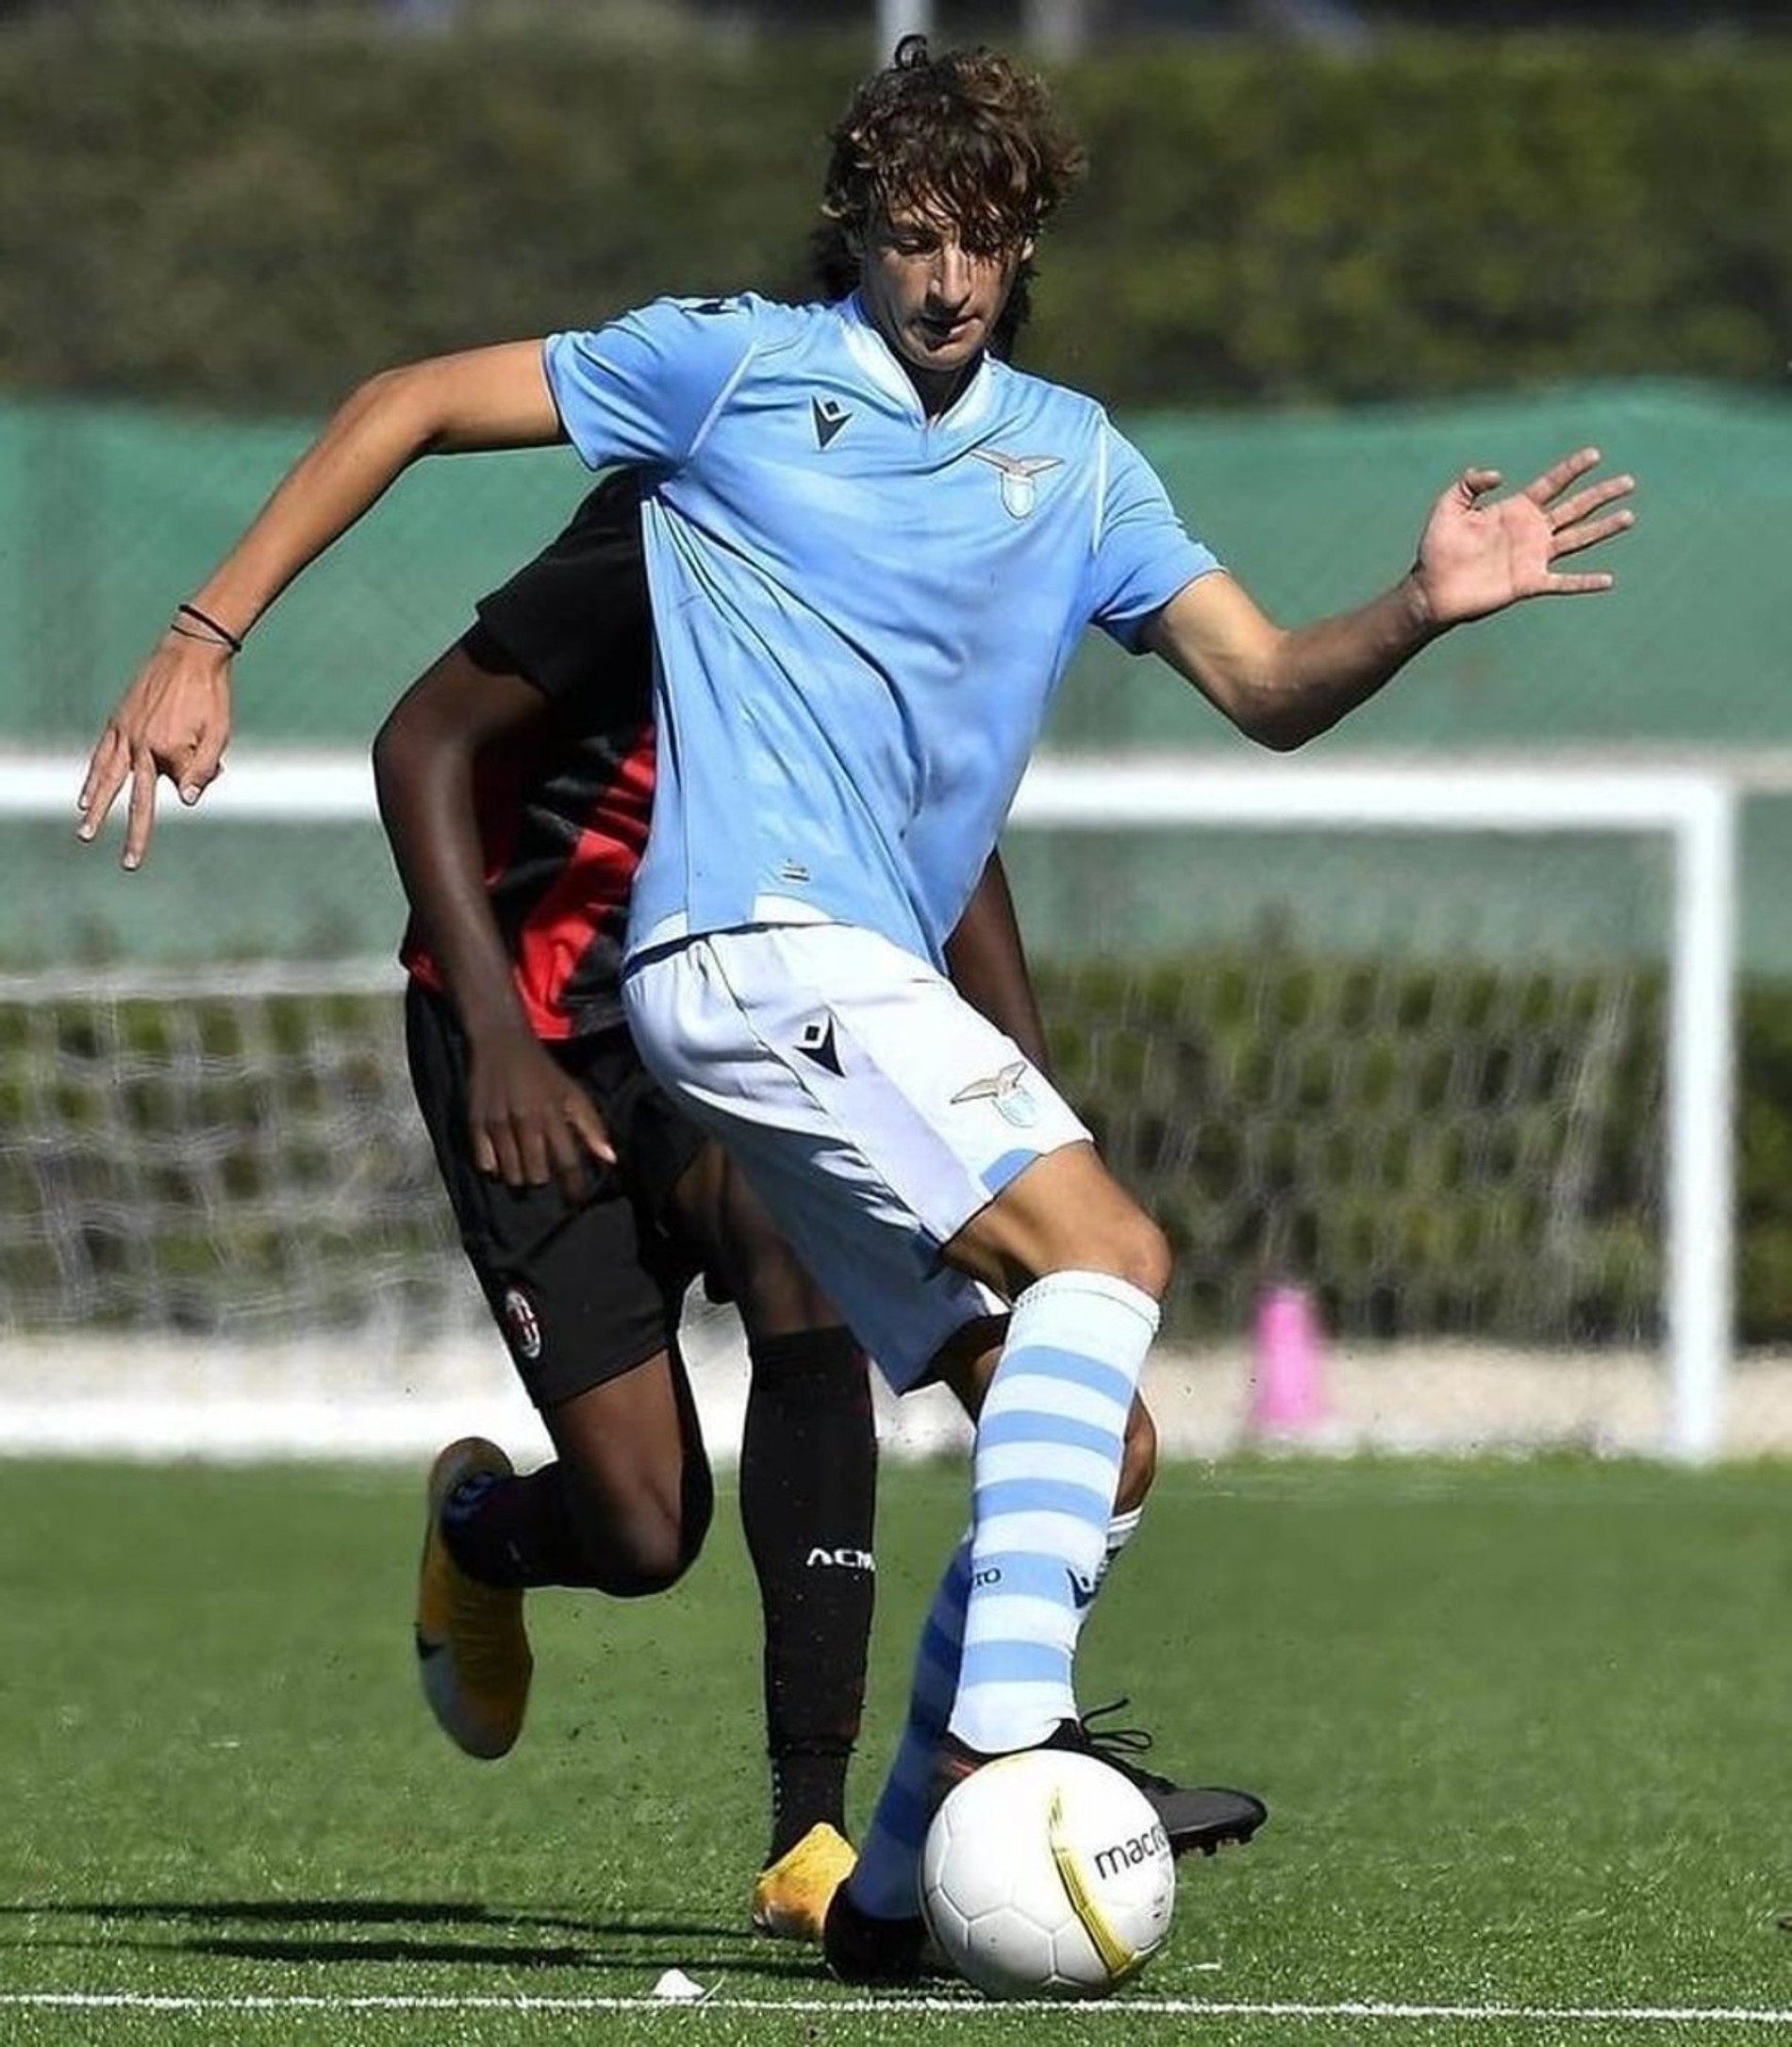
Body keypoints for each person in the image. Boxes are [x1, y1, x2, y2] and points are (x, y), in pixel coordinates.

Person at [77, 34, 1634, 1983]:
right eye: (910, 235)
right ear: (856, 232)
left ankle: (890, 1889)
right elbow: (404, 401)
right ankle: (1015, 1738)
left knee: (1098, 1445)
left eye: (979, 239)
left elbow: (1258, 681)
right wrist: (201, 635)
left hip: (840, 992)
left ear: (1027, 243)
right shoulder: (728, 368)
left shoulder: (1078, 462)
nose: (944, 278)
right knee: (1110, 1253)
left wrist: (1413, 605)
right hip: (743, 953)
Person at [82, 474, 1265, 1948]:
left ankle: (823, 1834)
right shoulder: (671, 525)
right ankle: (485, 1531)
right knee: (646, 1528)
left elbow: (935, 836)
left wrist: (1029, 1113)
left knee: (800, 1255)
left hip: (732, 1000)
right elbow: (421, 742)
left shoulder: (893, 556)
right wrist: (502, 1042)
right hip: (523, 1031)